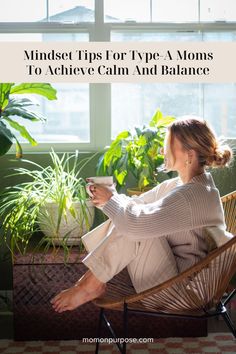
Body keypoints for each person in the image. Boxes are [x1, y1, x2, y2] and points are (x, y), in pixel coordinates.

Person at [51, 117, 232, 313]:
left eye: (167, 144)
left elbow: (136, 223)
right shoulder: (181, 186)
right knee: (132, 221)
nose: (162, 151)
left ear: (189, 154)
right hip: (172, 278)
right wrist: (108, 198)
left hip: (183, 294)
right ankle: (92, 281)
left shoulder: (192, 196)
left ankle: (90, 285)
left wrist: (112, 201)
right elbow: (138, 205)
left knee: (134, 228)